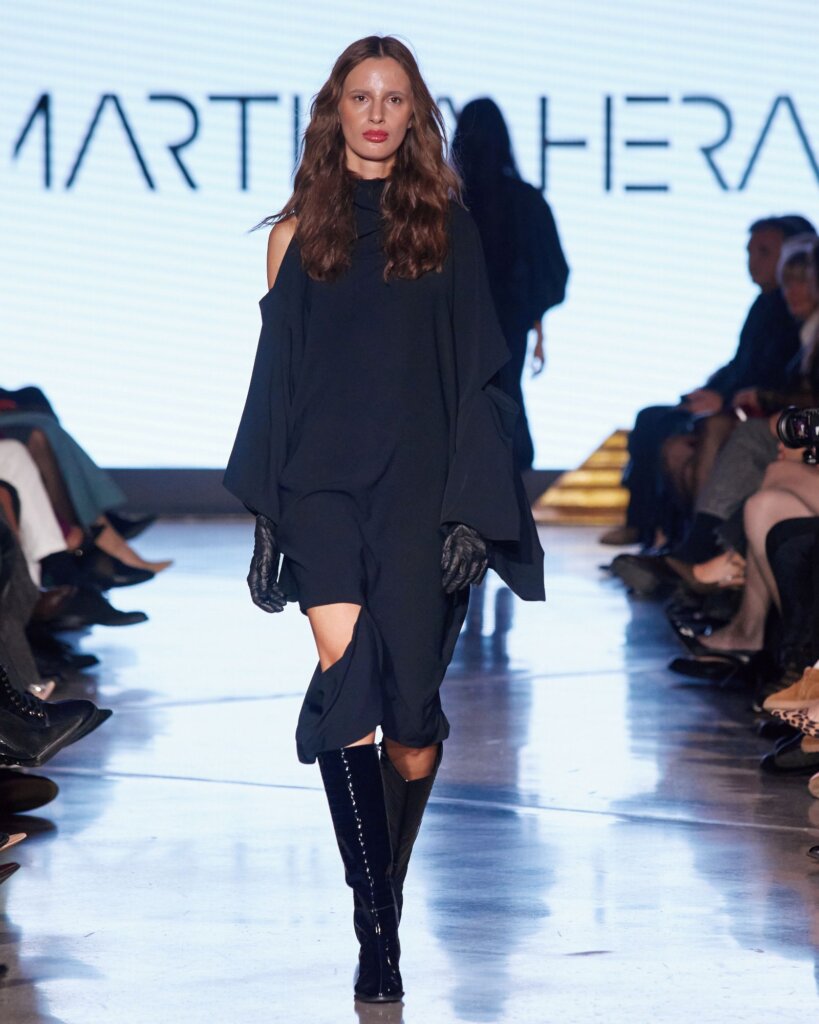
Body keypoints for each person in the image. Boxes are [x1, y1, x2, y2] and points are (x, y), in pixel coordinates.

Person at [224, 36, 544, 1004]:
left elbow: (482, 380)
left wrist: (473, 510)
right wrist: (269, 514)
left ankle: (383, 887)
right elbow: (276, 379)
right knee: (347, 685)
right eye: (359, 97)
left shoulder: (446, 231)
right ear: (336, 111)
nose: (374, 114)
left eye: (392, 98)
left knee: (410, 729)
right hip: (320, 489)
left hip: (417, 493)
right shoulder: (294, 236)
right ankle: (377, 929)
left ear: (414, 115)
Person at [602, 214, 814, 548]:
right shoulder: (765, 306)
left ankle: (697, 548)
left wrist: (726, 400)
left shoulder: (791, 315)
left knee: (690, 432)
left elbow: (777, 380)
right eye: (749, 252)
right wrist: (713, 389)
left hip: (762, 417)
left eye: (763, 252)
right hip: (749, 407)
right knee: (661, 429)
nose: (752, 262)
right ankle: (668, 538)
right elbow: (741, 365)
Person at [452, 98, 568, 471]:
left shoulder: (447, 207)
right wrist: (530, 313)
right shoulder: (525, 201)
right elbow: (553, 272)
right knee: (504, 400)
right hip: (508, 323)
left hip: (459, 323)